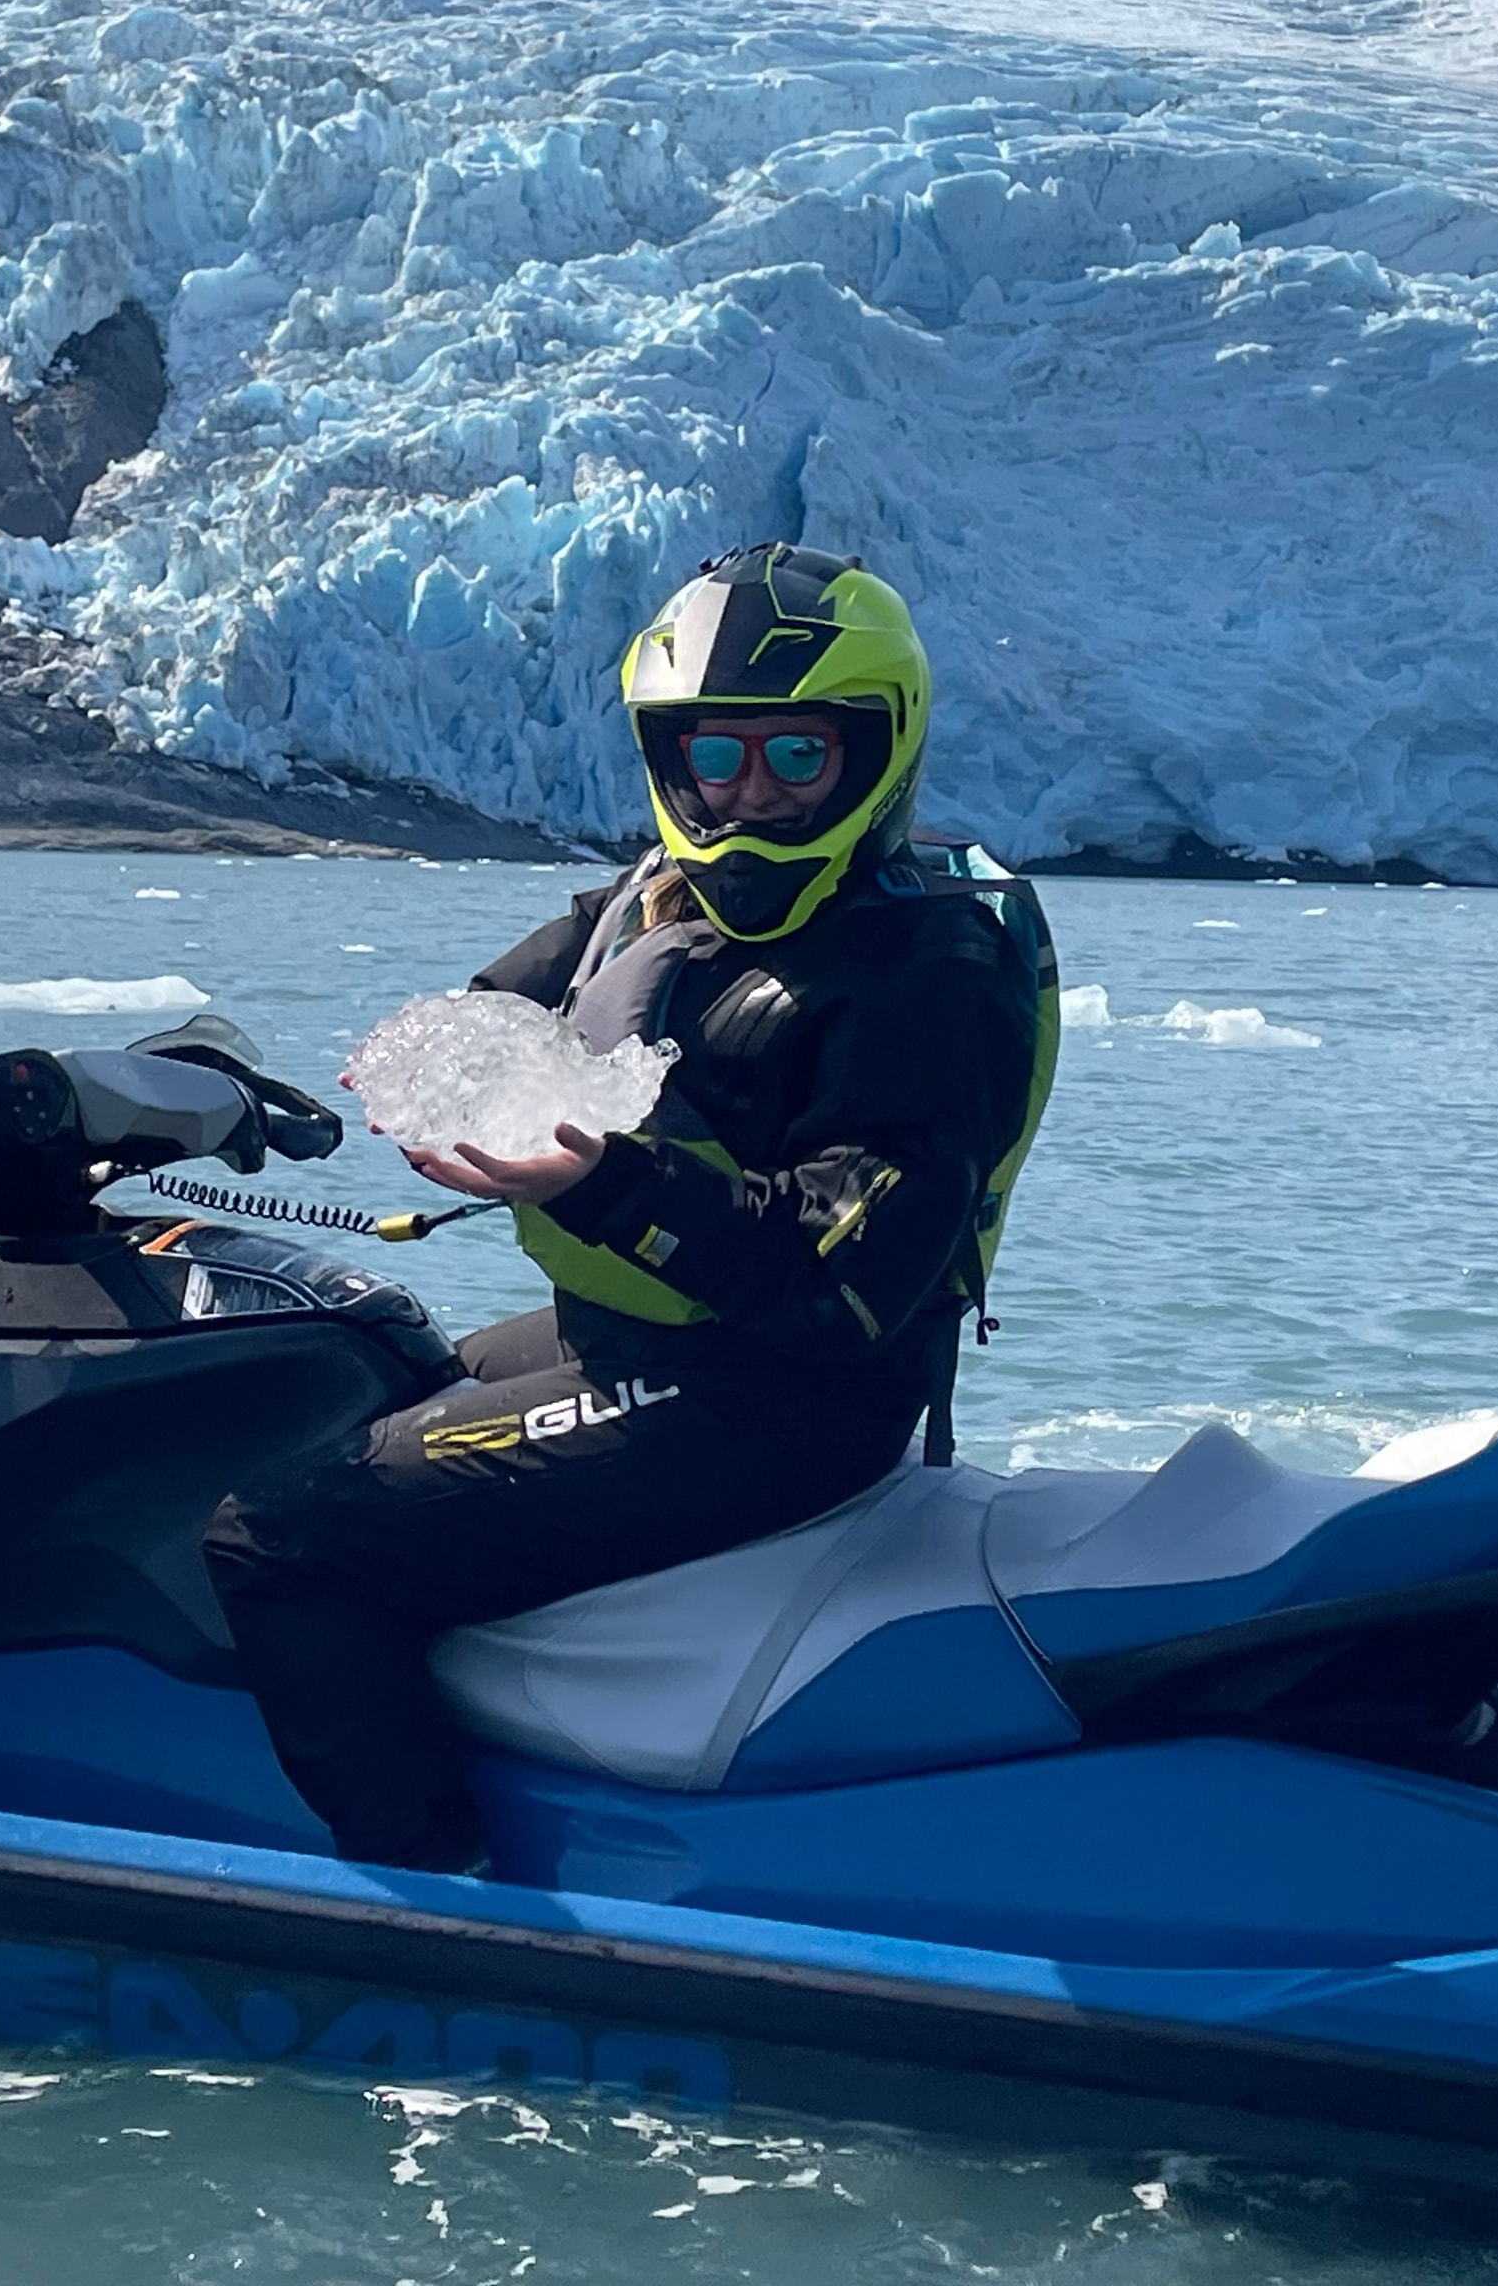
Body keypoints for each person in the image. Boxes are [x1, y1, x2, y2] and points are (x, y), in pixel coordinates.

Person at [202, 542, 1056, 1873]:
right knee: (342, 1373)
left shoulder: (925, 976)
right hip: (647, 1345)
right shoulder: (661, 904)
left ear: (875, 751)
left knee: (279, 1537)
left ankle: (430, 1886)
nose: (749, 800)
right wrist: (218, 1080)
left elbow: (851, 1289)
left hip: (780, 1401)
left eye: (796, 761)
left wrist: (611, 1185)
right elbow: (485, 1013)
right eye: (714, 761)